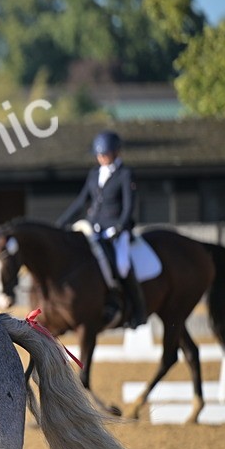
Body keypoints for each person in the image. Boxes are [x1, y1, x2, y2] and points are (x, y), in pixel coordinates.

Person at [57, 130, 146, 329]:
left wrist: (120, 227)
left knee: (122, 265)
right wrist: (61, 223)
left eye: (105, 154)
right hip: (93, 228)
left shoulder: (125, 174)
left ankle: (138, 310)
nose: (101, 157)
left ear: (116, 152)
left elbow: (129, 206)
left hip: (116, 230)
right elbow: (81, 200)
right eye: (99, 154)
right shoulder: (94, 174)